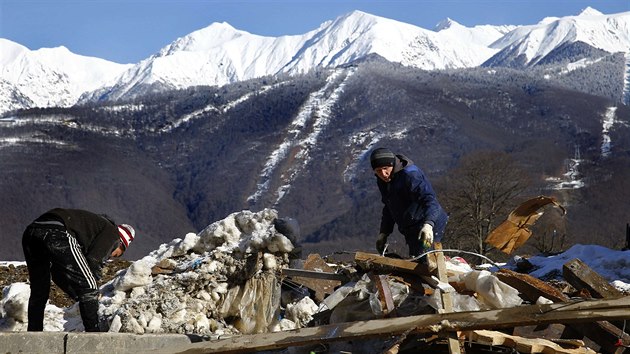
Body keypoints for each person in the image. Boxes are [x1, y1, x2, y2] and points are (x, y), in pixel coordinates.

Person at [21, 208, 136, 331]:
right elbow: (94, 261)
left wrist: (77, 293)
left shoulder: (93, 229)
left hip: (32, 232)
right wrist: (90, 291)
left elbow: (58, 273)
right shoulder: (113, 234)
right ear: (121, 243)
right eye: (116, 254)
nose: (110, 256)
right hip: (57, 231)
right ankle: (94, 336)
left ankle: (33, 332)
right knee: (90, 286)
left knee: (40, 290)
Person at [370, 147, 448, 259]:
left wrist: (429, 224)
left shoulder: (410, 175)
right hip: (411, 226)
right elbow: (389, 206)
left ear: (392, 164)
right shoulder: (383, 180)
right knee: (416, 259)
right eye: (378, 171)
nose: (383, 174)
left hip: (428, 220)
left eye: (385, 168)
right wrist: (384, 232)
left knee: (426, 260)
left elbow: (430, 200)